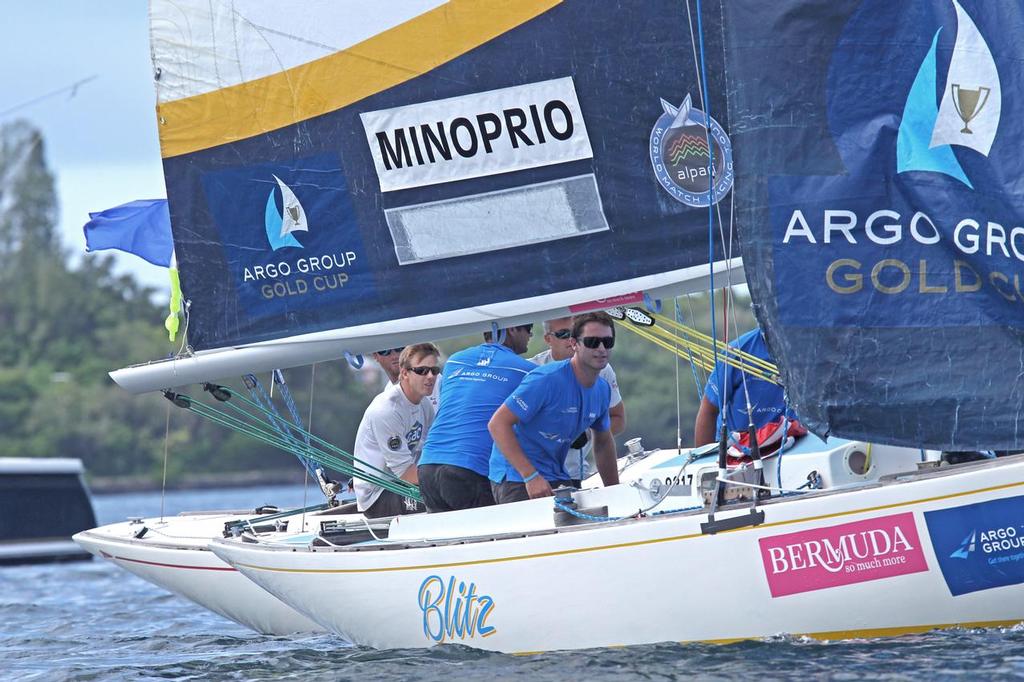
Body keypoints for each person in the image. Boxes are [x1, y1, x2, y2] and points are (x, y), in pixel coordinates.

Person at [488, 312, 620, 503]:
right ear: (574, 344)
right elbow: (497, 424)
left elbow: (603, 442)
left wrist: (615, 493)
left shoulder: (602, 390)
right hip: (517, 477)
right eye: (592, 342)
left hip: (556, 474)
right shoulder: (546, 379)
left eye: (607, 342)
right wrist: (530, 476)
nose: (601, 349)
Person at [417, 324, 536, 512]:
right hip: (470, 469)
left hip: (428, 465)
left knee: (450, 541)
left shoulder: (455, 361)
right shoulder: (528, 372)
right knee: (494, 539)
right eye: (528, 328)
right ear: (511, 329)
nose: (531, 334)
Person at [531, 316, 626, 483]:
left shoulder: (601, 369)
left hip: (574, 473)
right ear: (548, 339)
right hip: (535, 476)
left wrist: (588, 434)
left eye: (574, 333)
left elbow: (617, 419)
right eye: (563, 334)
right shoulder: (534, 370)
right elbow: (500, 424)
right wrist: (529, 476)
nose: (569, 339)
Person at [353, 343, 440, 518]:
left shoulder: (424, 404)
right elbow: (405, 474)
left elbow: (430, 451)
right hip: (378, 495)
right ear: (405, 373)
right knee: (446, 495)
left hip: (404, 483)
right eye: (422, 371)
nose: (430, 376)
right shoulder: (386, 410)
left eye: (434, 370)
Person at [693, 327, 788, 447]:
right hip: (738, 451)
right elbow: (709, 409)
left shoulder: (814, 349)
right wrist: (704, 462)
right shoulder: (738, 350)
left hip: (797, 445)